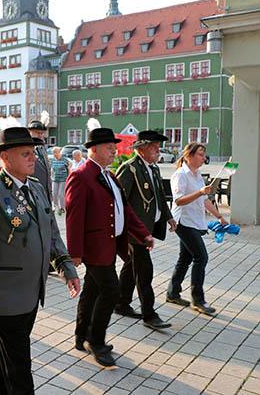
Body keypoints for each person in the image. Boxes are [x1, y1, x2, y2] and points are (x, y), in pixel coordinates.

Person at [0, 127, 80, 393]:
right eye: (26, 154)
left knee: (5, 352)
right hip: (7, 295)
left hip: (32, 291)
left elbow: (51, 232)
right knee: (19, 366)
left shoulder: (37, 188)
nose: (34, 159)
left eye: (34, 153)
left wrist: (67, 268)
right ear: (5, 157)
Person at [65, 127, 153, 367]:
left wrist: (143, 234)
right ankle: (96, 341)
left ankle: (81, 335)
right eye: (108, 147)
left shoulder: (110, 175)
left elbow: (124, 210)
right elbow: (74, 215)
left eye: (114, 147)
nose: (114, 150)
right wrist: (74, 252)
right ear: (93, 149)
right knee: (111, 290)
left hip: (109, 245)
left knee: (93, 290)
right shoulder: (81, 174)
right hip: (94, 246)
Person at [115, 131, 176, 329]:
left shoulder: (154, 168)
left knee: (131, 267)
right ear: (141, 149)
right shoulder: (130, 168)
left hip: (148, 227)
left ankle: (121, 302)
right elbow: (119, 201)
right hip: (135, 231)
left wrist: (168, 216)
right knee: (144, 271)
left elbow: (160, 195)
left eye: (158, 147)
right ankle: (149, 315)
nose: (158, 151)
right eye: (154, 147)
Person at [166, 142, 227, 315]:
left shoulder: (197, 174)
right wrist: (200, 192)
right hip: (183, 222)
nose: (203, 158)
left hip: (194, 221)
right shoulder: (180, 175)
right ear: (189, 156)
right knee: (201, 257)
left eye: (203, 154)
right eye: (200, 154)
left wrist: (220, 217)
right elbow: (178, 200)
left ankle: (172, 293)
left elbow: (205, 200)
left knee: (185, 258)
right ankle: (198, 300)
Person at [27, 119, 53, 203]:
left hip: (45, 192)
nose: (40, 135)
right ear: (29, 132)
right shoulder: (25, 149)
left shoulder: (42, 148)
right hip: (32, 193)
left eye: (42, 133)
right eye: (37, 133)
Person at [51, 146, 71, 215]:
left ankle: (62, 208)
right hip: (55, 179)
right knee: (54, 194)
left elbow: (69, 169)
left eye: (56, 152)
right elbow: (52, 170)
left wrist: (69, 178)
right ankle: (57, 207)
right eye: (53, 153)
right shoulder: (53, 160)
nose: (54, 154)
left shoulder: (65, 160)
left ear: (59, 152)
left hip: (63, 179)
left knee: (60, 194)